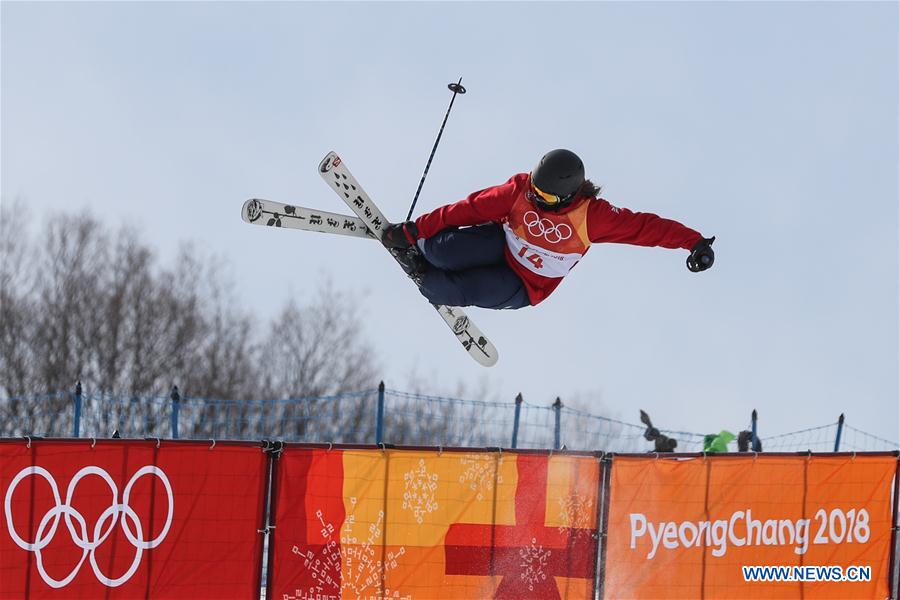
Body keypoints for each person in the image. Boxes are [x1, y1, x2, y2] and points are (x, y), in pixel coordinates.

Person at [381, 149, 715, 309]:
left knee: (441, 291)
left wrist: (694, 242)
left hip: (525, 283)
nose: (537, 199)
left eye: (547, 197)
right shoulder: (520, 191)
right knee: (439, 250)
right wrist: (415, 230)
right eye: (536, 190)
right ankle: (423, 253)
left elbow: (646, 228)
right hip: (501, 244)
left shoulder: (592, 216)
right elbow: (467, 208)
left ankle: (424, 274)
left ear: (568, 195)